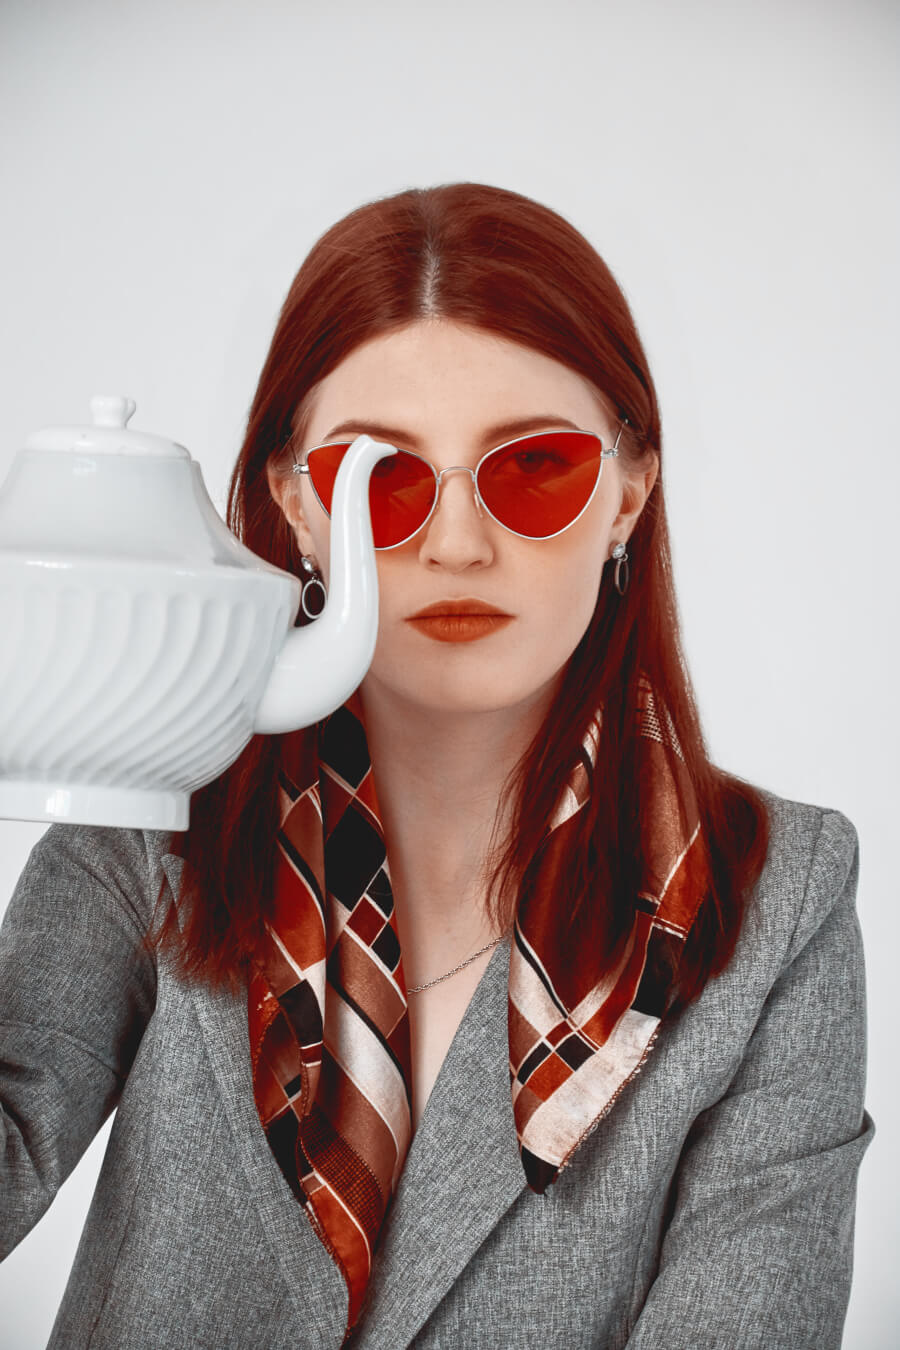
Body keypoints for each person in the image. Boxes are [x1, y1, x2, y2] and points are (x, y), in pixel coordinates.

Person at [0, 182, 873, 1349]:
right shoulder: (156, 805)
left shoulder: (778, 898)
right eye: (381, 480)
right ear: (291, 504)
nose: (460, 542)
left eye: (535, 469)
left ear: (628, 489)